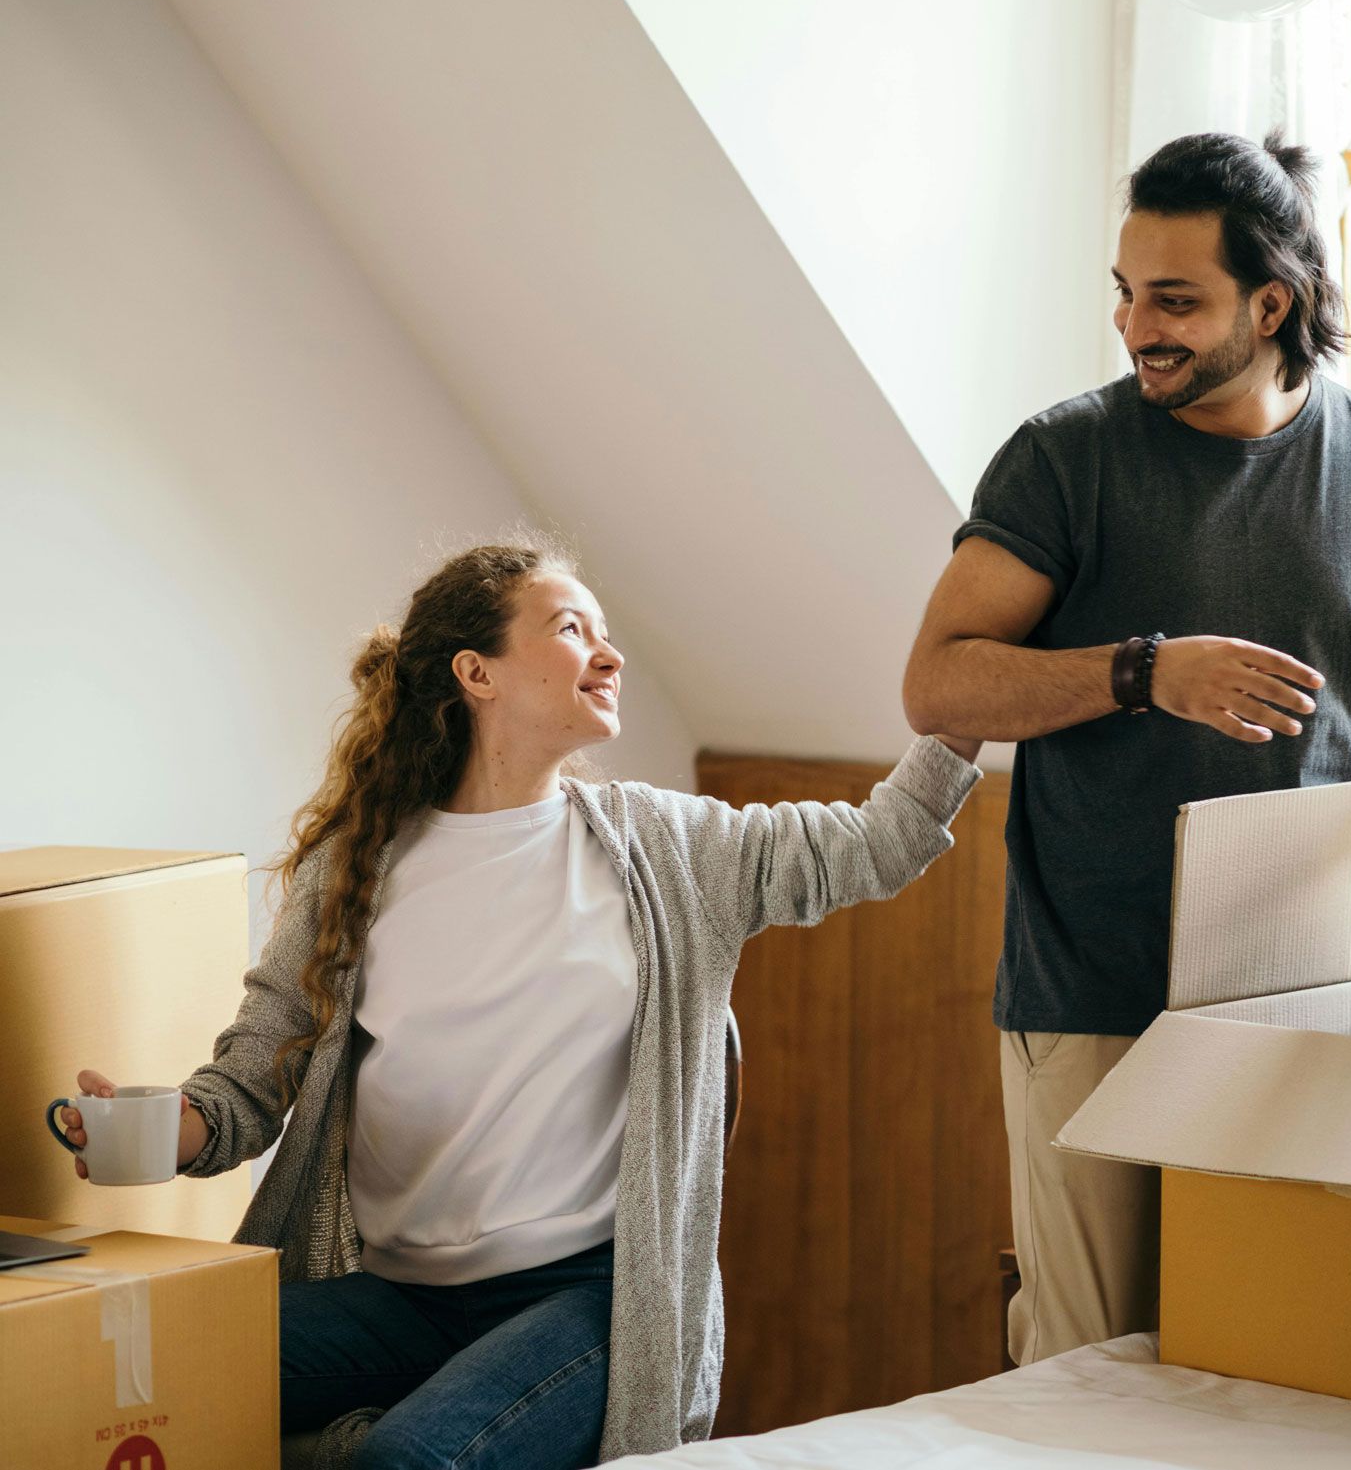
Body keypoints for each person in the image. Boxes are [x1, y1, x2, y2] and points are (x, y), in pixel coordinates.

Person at [59, 538, 981, 1469]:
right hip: (400, 1295)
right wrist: (149, 1128)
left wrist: (967, 694)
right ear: (477, 673)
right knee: (112, 1376)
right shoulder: (358, 865)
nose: (611, 655)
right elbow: (253, 1081)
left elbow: (876, 842)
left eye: (607, 633)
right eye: (573, 629)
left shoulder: (670, 847)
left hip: (585, 1301)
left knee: (405, 1462)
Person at [902, 131, 1351, 1369]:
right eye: (1126, 295)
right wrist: (1143, 670)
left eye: (1175, 300)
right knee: (1086, 1367)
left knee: (1262, 1356)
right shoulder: (1068, 456)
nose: (1137, 328)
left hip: (1305, 997)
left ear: (1271, 301)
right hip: (1094, 994)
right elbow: (937, 681)